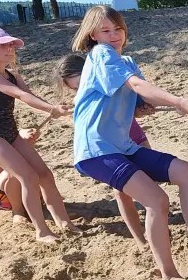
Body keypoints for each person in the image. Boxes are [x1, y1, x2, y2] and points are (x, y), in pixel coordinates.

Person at [71, 5, 188, 280]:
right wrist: (178, 101)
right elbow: (137, 86)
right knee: (157, 200)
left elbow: (143, 96)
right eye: (105, 30)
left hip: (122, 146)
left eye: (118, 28)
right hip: (96, 149)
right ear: (93, 35)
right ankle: (168, 273)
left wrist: (149, 106)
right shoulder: (101, 54)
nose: (114, 35)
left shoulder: (126, 61)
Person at [0, 27, 76, 243]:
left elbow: (28, 95)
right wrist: (51, 109)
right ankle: (42, 231)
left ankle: (64, 222)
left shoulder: (12, 74)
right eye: (2, 45)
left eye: (11, 44)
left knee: (45, 175)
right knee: (28, 176)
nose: (9, 48)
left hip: (9, 131)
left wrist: (54, 109)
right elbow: (19, 95)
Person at [57, 54, 155, 246]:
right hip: (108, 146)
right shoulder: (81, 101)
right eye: (75, 88)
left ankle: (156, 229)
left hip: (132, 135)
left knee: (149, 182)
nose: (81, 89)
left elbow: (133, 106)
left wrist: (141, 109)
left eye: (81, 83)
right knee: (121, 192)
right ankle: (140, 240)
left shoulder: (110, 81)